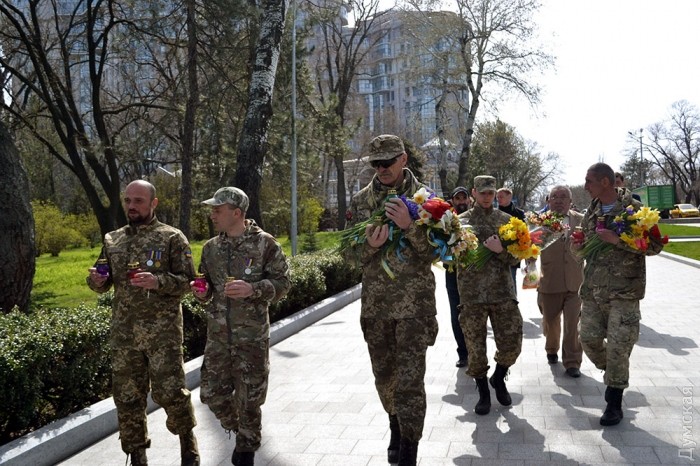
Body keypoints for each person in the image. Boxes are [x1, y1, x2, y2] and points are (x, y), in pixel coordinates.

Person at [86, 180, 199, 466]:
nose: (132, 206)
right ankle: (137, 455)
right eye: (128, 200)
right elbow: (101, 279)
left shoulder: (171, 237)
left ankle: (188, 446)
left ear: (153, 203)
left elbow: (189, 282)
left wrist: (158, 281)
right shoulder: (113, 240)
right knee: (127, 397)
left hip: (162, 334)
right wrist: (96, 280)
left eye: (138, 200)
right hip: (125, 335)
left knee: (171, 392)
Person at [346, 134, 438, 465]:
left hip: (415, 308)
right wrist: (368, 246)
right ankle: (395, 423)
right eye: (376, 164)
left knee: (410, 382)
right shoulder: (361, 201)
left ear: (403, 159)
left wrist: (410, 226)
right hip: (377, 308)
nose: (382, 169)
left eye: (387, 162)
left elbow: (438, 252)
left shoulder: (427, 199)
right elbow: (347, 255)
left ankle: (410, 447)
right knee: (385, 379)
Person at [191, 187, 291, 466]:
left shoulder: (265, 244)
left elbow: (284, 284)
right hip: (218, 338)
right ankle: (243, 430)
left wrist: (253, 289)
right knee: (211, 394)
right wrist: (201, 292)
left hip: (251, 338)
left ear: (236, 213)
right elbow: (206, 286)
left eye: (217, 210)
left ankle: (246, 447)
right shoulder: (211, 248)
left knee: (250, 399)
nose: (212, 215)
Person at [571, 163, 663, 426]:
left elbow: (655, 246)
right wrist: (577, 246)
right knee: (587, 339)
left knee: (619, 347)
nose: (585, 186)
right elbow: (581, 253)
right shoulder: (591, 212)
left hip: (624, 292)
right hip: (593, 291)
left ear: (605, 182)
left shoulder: (636, 210)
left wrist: (618, 240)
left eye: (589, 181)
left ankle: (614, 401)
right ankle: (613, 372)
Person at [457, 176, 522, 415]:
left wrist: (500, 250)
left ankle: (499, 377)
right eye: (482, 192)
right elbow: (450, 256)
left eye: (490, 193)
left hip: (502, 292)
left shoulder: (506, 221)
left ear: (495, 194)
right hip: (472, 294)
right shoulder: (459, 222)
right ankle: (483, 391)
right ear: (473, 192)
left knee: (512, 342)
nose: (486, 197)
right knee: (475, 348)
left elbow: (516, 258)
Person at [536, 185, 584, 378]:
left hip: (575, 282)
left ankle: (572, 362)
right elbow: (528, 246)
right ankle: (551, 348)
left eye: (563, 197)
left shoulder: (581, 220)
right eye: (554, 197)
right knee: (551, 321)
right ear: (548, 201)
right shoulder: (539, 222)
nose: (559, 200)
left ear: (570, 201)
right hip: (550, 280)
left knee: (572, 324)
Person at [446, 186, 471, 368]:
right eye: (458, 199)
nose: (461, 202)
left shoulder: (474, 217)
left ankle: (475, 351)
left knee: (473, 313)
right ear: (453, 201)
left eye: (464, 198)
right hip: (452, 272)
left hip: (473, 273)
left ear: (469, 200)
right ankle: (463, 353)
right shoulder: (444, 219)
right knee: (456, 314)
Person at [496, 187, 525, 294]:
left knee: (511, 282)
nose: (498, 199)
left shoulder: (519, 213)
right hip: (495, 253)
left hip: (512, 254)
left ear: (509, 197)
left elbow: (524, 234)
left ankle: (513, 302)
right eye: (497, 197)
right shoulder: (494, 213)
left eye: (501, 197)